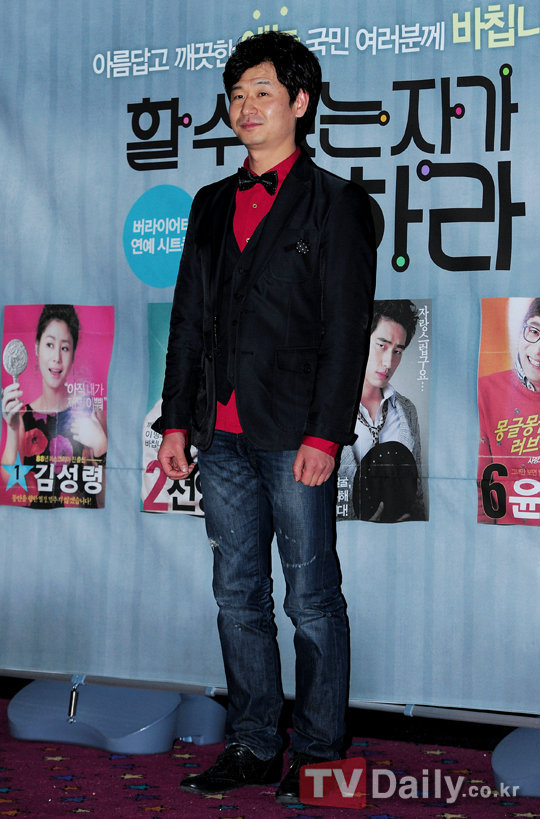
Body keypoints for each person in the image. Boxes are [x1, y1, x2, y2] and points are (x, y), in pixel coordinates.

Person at [153, 31, 376, 803]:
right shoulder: (211, 203)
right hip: (219, 436)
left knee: (311, 599)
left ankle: (318, 753)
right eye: (237, 95)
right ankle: (251, 741)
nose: (246, 107)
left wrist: (325, 433)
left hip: (295, 436)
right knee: (236, 594)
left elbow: (346, 332)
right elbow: (188, 318)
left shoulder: (340, 204)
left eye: (263, 93)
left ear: (300, 102)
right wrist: (175, 419)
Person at [1, 304, 107, 507]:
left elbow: (103, 501)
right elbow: (12, 488)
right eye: (50, 344)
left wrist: (102, 447)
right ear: (37, 347)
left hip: (84, 525)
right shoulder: (22, 417)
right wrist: (12, 429)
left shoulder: (91, 413)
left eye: (65, 348)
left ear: (73, 354)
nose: (57, 358)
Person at [340, 300, 425, 521]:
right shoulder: (327, 405)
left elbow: (417, 493)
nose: (389, 362)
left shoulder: (407, 410)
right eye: (382, 346)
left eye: (398, 351)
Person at [478, 298, 540, 525]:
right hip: (502, 539)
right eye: (534, 331)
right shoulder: (485, 391)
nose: (538, 350)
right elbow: (476, 490)